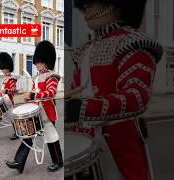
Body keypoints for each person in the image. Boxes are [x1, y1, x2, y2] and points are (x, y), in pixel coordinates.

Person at [66, 0, 163, 179]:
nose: (86, 7)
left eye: (92, 2)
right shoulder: (84, 51)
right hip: (85, 150)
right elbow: (76, 93)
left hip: (119, 153)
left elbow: (136, 98)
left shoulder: (133, 43)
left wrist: (82, 108)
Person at [6, 41, 63, 173]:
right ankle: (18, 162)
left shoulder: (52, 76)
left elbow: (51, 93)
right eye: (36, 63)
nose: (36, 65)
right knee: (28, 135)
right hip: (36, 113)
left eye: (38, 63)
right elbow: (33, 92)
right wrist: (27, 96)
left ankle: (58, 162)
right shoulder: (36, 77)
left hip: (47, 113)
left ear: (45, 62)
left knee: (51, 138)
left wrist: (33, 95)